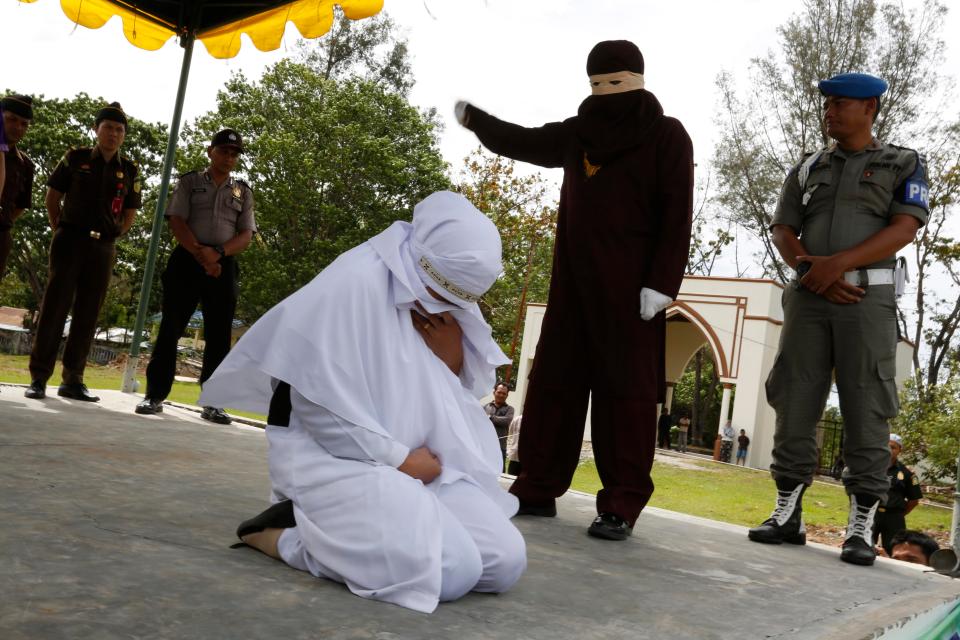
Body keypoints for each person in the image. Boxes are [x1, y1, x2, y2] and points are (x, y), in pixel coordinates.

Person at [198, 191, 525, 613]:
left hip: (421, 461)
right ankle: (288, 537)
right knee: (452, 570)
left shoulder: (441, 286)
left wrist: (453, 357)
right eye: (442, 294)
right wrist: (401, 461)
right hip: (340, 460)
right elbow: (318, 408)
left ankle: (374, 531)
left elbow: (458, 386)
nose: (448, 308)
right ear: (420, 262)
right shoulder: (348, 288)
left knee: (503, 563)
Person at [456, 40, 693, 542]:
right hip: (572, 291)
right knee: (553, 388)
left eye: (615, 82)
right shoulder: (578, 135)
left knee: (624, 400)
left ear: (636, 80)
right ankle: (536, 486)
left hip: (633, 299)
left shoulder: (666, 136)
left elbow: (677, 215)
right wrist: (478, 122)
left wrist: (661, 284)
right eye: (596, 84)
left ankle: (621, 503)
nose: (605, 93)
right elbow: (524, 140)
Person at [747, 73, 929, 567]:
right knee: (794, 394)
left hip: (866, 299)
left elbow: (905, 227)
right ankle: (787, 512)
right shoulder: (808, 168)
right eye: (826, 103)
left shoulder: (902, 162)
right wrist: (811, 267)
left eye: (840, 103)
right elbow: (784, 227)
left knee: (867, 402)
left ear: (869, 107)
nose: (829, 110)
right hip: (808, 293)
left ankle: (861, 525)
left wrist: (838, 263)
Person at [135, 129, 256, 424]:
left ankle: (213, 403)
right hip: (187, 261)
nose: (228, 157)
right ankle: (154, 395)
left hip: (222, 265)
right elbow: (176, 220)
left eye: (234, 153)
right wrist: (203, 255)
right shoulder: (189, 182)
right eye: (224, 151)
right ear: (210, 151)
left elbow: (246, 235)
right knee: (170, 328)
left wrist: (218, 253)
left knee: (218, 336)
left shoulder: (243, 191)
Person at [24, 102, 141, 402]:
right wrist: (57, 227)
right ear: (96, 129)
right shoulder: (75, 158)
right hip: (70, 240)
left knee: (88, 313)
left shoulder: (129, 169)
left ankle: (73, 379)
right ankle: (39, 377)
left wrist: (114, 234)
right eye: (108, 127)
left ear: (124, 135)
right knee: (54, 308)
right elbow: (53, 196)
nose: (113, 134)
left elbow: (130, 212)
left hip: (103, 246)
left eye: (119, 129)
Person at [0, 95, 35, 282]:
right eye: (12, 119)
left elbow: (21, 205)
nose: (18, 127)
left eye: (24, 124)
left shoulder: (25, 165)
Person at [874, 434, 923, 555]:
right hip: (871, 513)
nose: (889, 450)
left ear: (900, 450)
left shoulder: (907, 473)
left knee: (894, 551)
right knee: (864, 545)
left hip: (894, 518)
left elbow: (914, 501)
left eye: (893, 447)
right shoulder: (871, 467)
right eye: (886, 446)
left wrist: (898, 514)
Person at [483, 382, 515, 470]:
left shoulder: (510, 409)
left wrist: (489, 417)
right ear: (494, 392)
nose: (501, 395)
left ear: (507, 395)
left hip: (500, 447)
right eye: (499, 392)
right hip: (485, 446)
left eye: (504, 393)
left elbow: (507, 421)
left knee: (500, 472)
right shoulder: (485, 407)